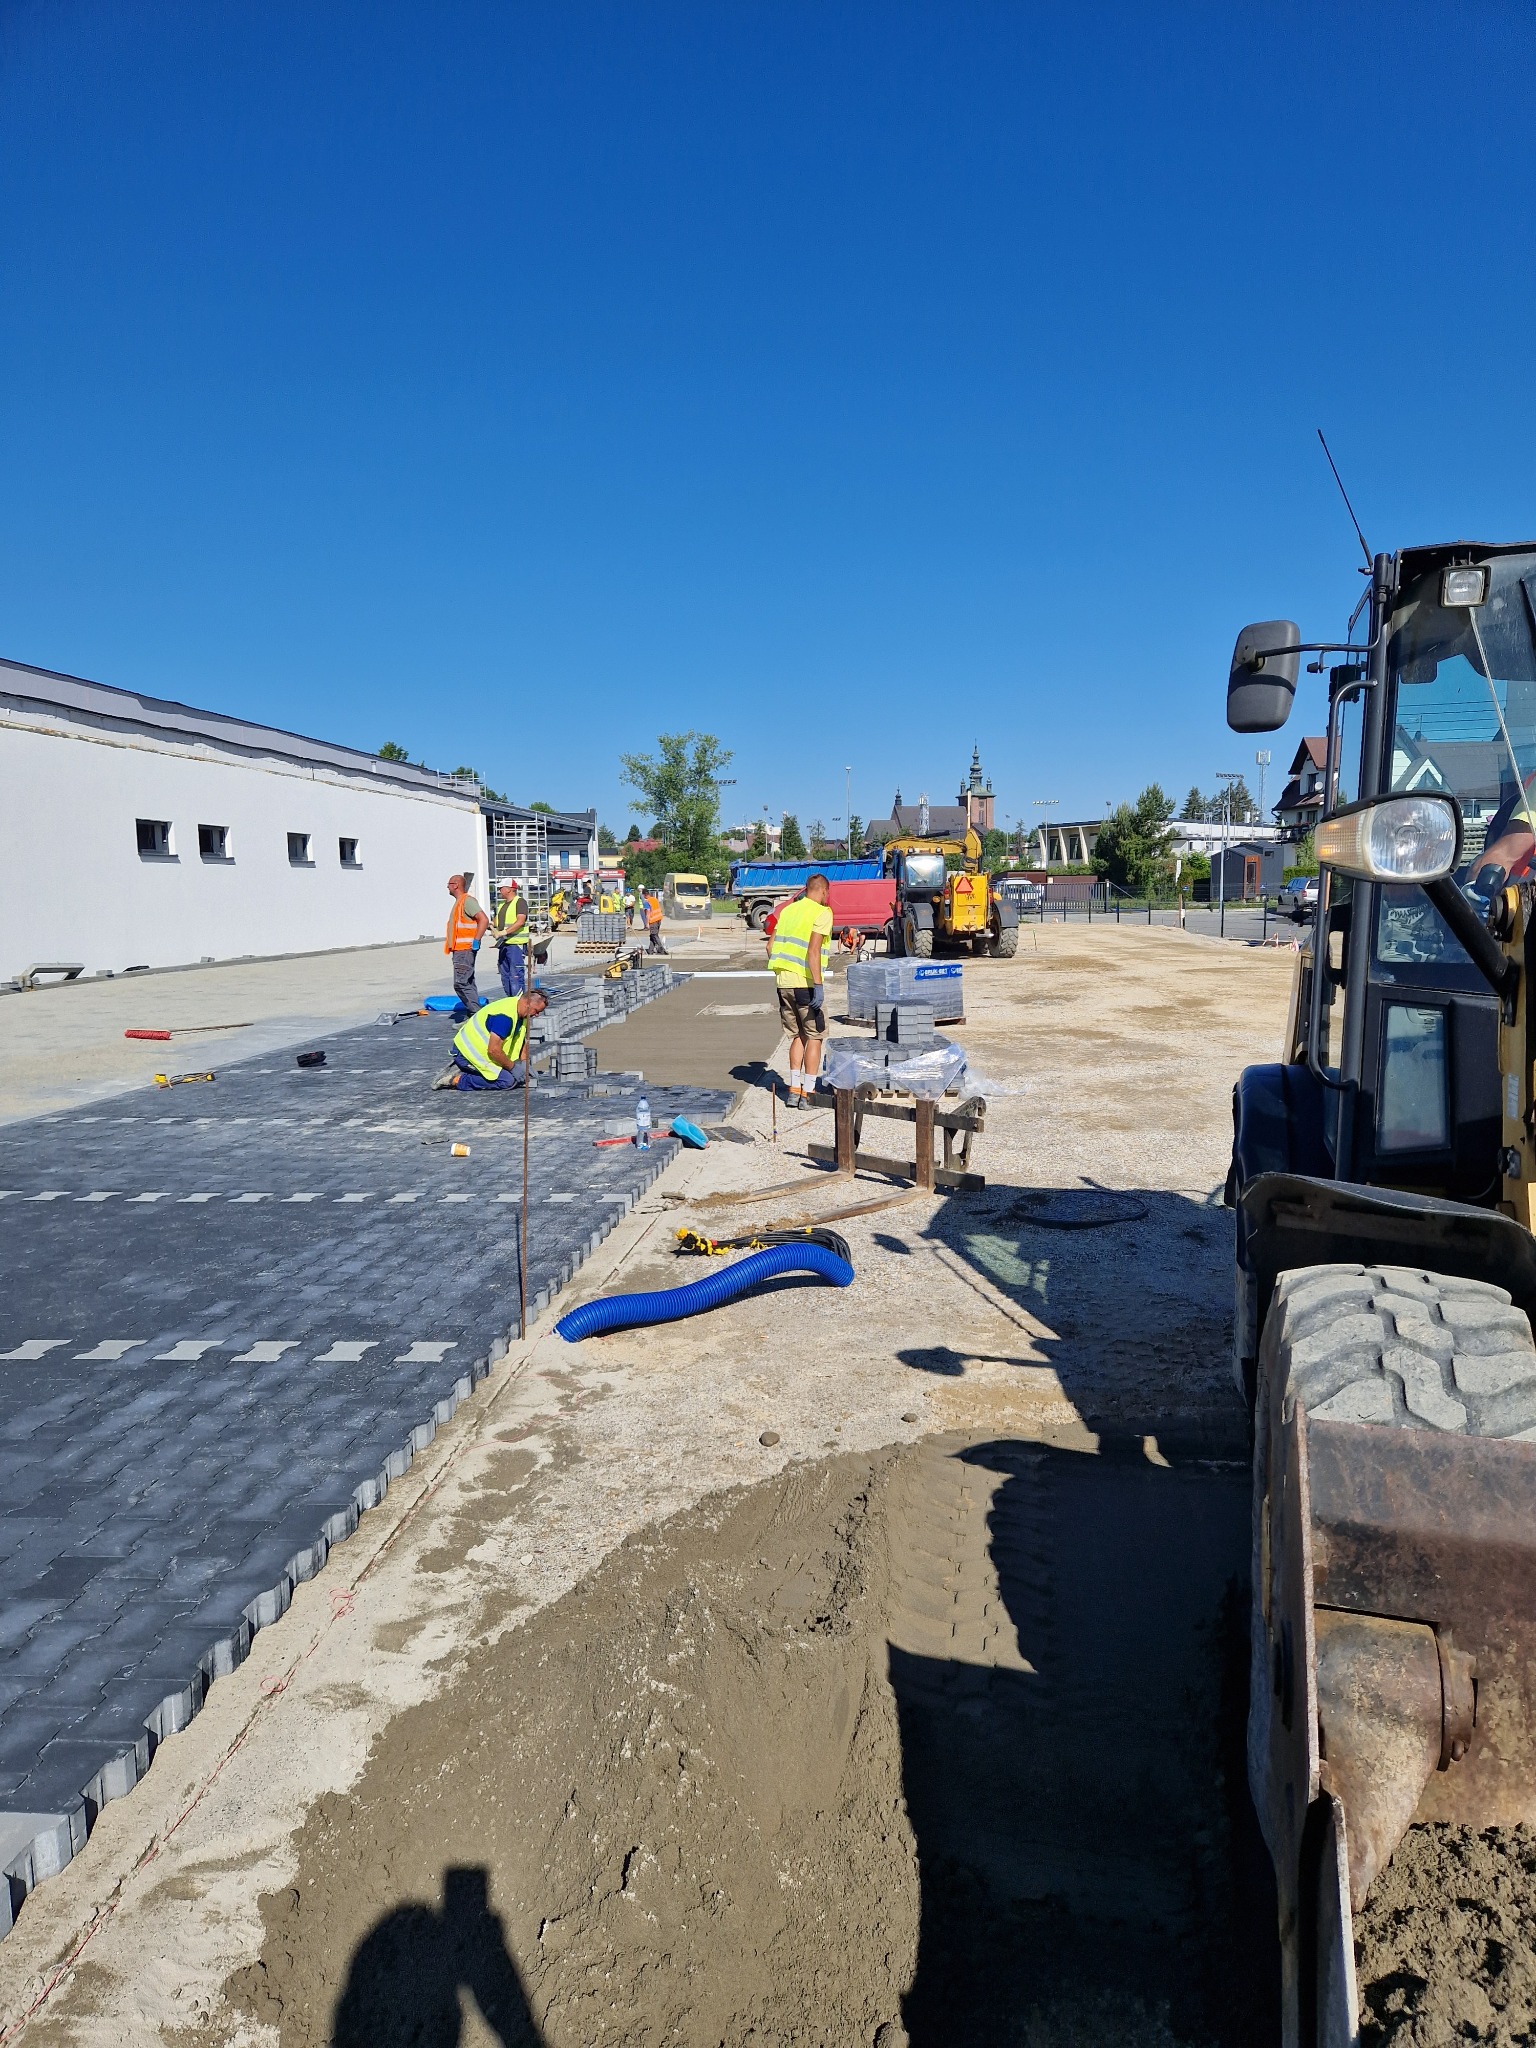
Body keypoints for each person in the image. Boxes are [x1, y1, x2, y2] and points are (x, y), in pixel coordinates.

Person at [768, 874, 835, 1107]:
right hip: (805, 984)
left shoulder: (787, 911)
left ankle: (794, 1091)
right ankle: (808, 1094)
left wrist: (784, 973)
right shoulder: (822, 913)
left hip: (783, 984)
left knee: (797, 1036)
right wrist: (818, 985)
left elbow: (770, 947)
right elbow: (813, 951)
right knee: (815, 1036)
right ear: (823, 891)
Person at [433, 987, 548, 1090]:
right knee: (507, 1081)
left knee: (514, 1075)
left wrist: (524, 1062)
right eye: (536, 1011)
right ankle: (456, 1079)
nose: (537, 1015)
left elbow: (522, 1039)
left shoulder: (520, 1009)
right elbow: (493, 1050)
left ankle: (469, 1070)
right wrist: (513, 1068)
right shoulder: (504, 1017)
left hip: (485, 1052)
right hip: (468, 1054)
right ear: (527, 1003)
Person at [444, 873, 489, 1013]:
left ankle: (476, 1013)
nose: (447, 887)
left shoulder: (466, 901)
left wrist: (477, 940)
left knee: (461, 983)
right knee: (467, 982)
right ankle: (474, 1013)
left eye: (449, 884)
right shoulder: (459, 902)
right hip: (460, 950)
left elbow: (484, 919)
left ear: (456, 885)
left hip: (465, 950)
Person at [492, 876, 531, 998]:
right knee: (505, 976)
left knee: (515, 976)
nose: (499, 890)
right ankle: (511, 1001)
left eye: (501, 888)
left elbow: (520, 921)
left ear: (509, 889)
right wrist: (491, 926)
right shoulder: (502, 905)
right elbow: (497, 922)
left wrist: (503, 932)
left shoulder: (520, 902)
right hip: (504, 944)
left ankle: (519, 1002)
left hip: (515, 945)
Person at [643, 886, 666, 954]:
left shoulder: (647, 902)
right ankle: (651, 950)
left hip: (653, 920)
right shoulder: (655, 899)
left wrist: (647, 923)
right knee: (653, 935)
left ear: (644, 895)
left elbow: (648, 913)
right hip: (659, 919)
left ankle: (661, 949)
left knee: (654, 935)